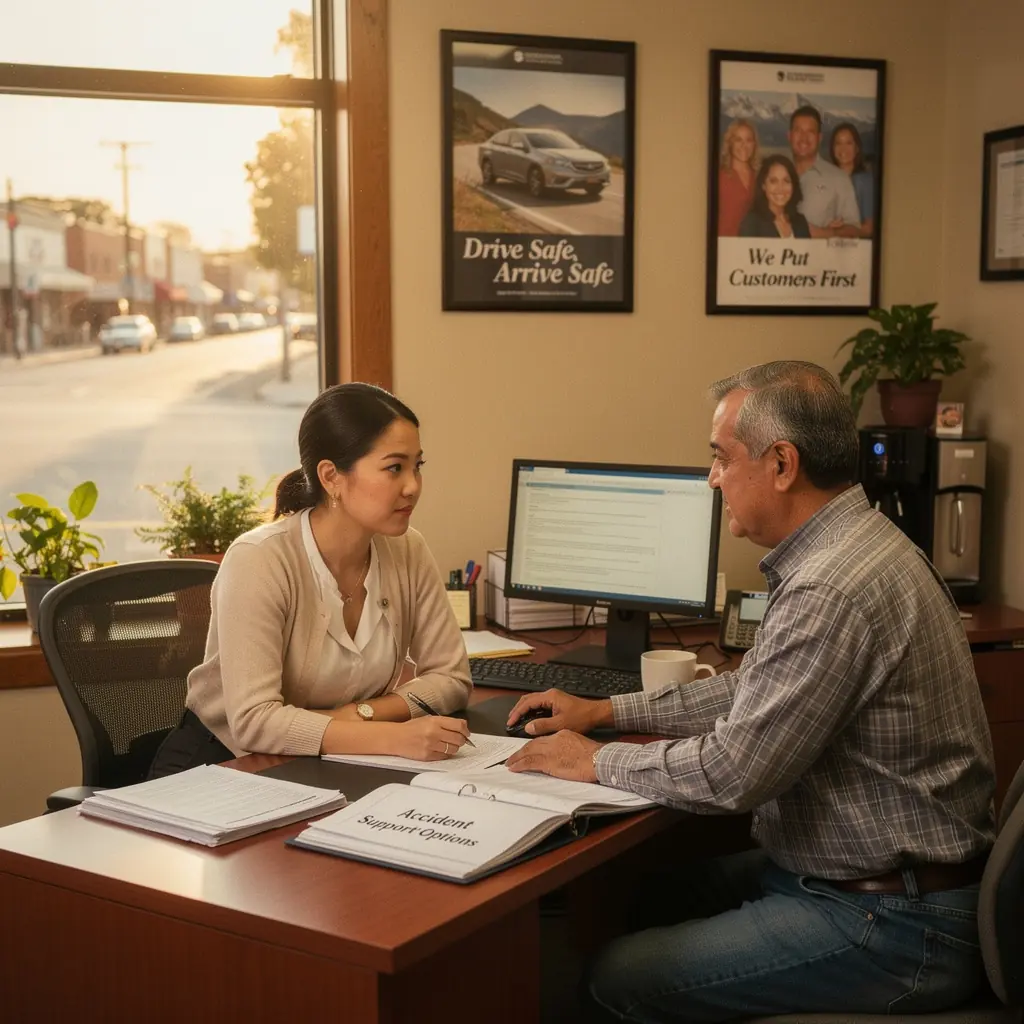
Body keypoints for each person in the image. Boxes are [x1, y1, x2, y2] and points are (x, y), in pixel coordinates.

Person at [505, 361, 996, 1020]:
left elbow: (736, 771)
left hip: (897, 924)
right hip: (867, 879)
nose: (712, 479)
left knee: (615, 978)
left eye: (720, 458)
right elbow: (752, 691)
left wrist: (593, 758)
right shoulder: (857, 543)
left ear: (783, 463)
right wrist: (607, 708)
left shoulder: (831, 587)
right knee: (642, 895)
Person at [149, 383, 472, 777]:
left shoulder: (407, 549)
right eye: (394, 468)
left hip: (329, 763)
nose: (413, 486)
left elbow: (452, 678)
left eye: (417, 465)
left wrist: (361, 714)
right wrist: (392, 737)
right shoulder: (260, 559)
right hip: (222, 766)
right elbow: (253, 722)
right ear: (331, 477)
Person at [788, 104, 861, 238]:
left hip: (820, 258)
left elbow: (855, 230)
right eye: (798, 131)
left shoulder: (839, 178)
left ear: (819, 138)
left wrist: (825, 233)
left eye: (810, 132)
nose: (804, 138)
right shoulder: (774, 174)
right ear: (789, 136)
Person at [738, 154, 811, 239]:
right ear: (763, 185)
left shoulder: (800, 222)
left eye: (786, 181)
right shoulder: (751, 223)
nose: (780, 188)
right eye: (773, 181)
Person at [830, 121, 875, 237]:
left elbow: (869, 228)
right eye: (838, 143)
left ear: (857, 148)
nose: (843, 148)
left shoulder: (866, 181)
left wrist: (841, 230)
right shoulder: (826, 179)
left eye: (848, 143)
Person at [717, 119, 759, 236]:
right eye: (738, 140)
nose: (743, 145)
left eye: (748, 140)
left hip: (748, 247)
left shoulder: (759, 177)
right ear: (730, 143)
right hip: (723, 245)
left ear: (754, 144)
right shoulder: (719, 177)